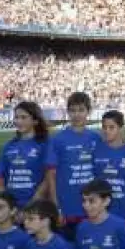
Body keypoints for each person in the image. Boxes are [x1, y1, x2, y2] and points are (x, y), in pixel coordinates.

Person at [46, 91, 102, 241]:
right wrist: (56, 206)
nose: (77, 115)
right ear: (68, 112)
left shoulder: (96, 138)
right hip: (67, 208)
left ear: (89, 111)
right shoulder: (58, 140)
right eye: (73, 110)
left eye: (81, 110)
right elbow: (51, 175)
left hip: (92, 209)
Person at [0, 101, 50, 210]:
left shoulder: (46, 145)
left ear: (35, 121)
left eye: (24, 117)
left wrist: (32, 205)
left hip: (37, 208)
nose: (18, 121)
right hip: (12, 209)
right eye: (16, 117)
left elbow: (49, 178)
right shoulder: (8, 146)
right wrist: (6, 206)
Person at [93, 110, 125, 220]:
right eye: (104, 127)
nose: (107, 131)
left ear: (121, 129)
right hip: (102, 213)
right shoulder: (96, 150)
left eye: (111, 127)